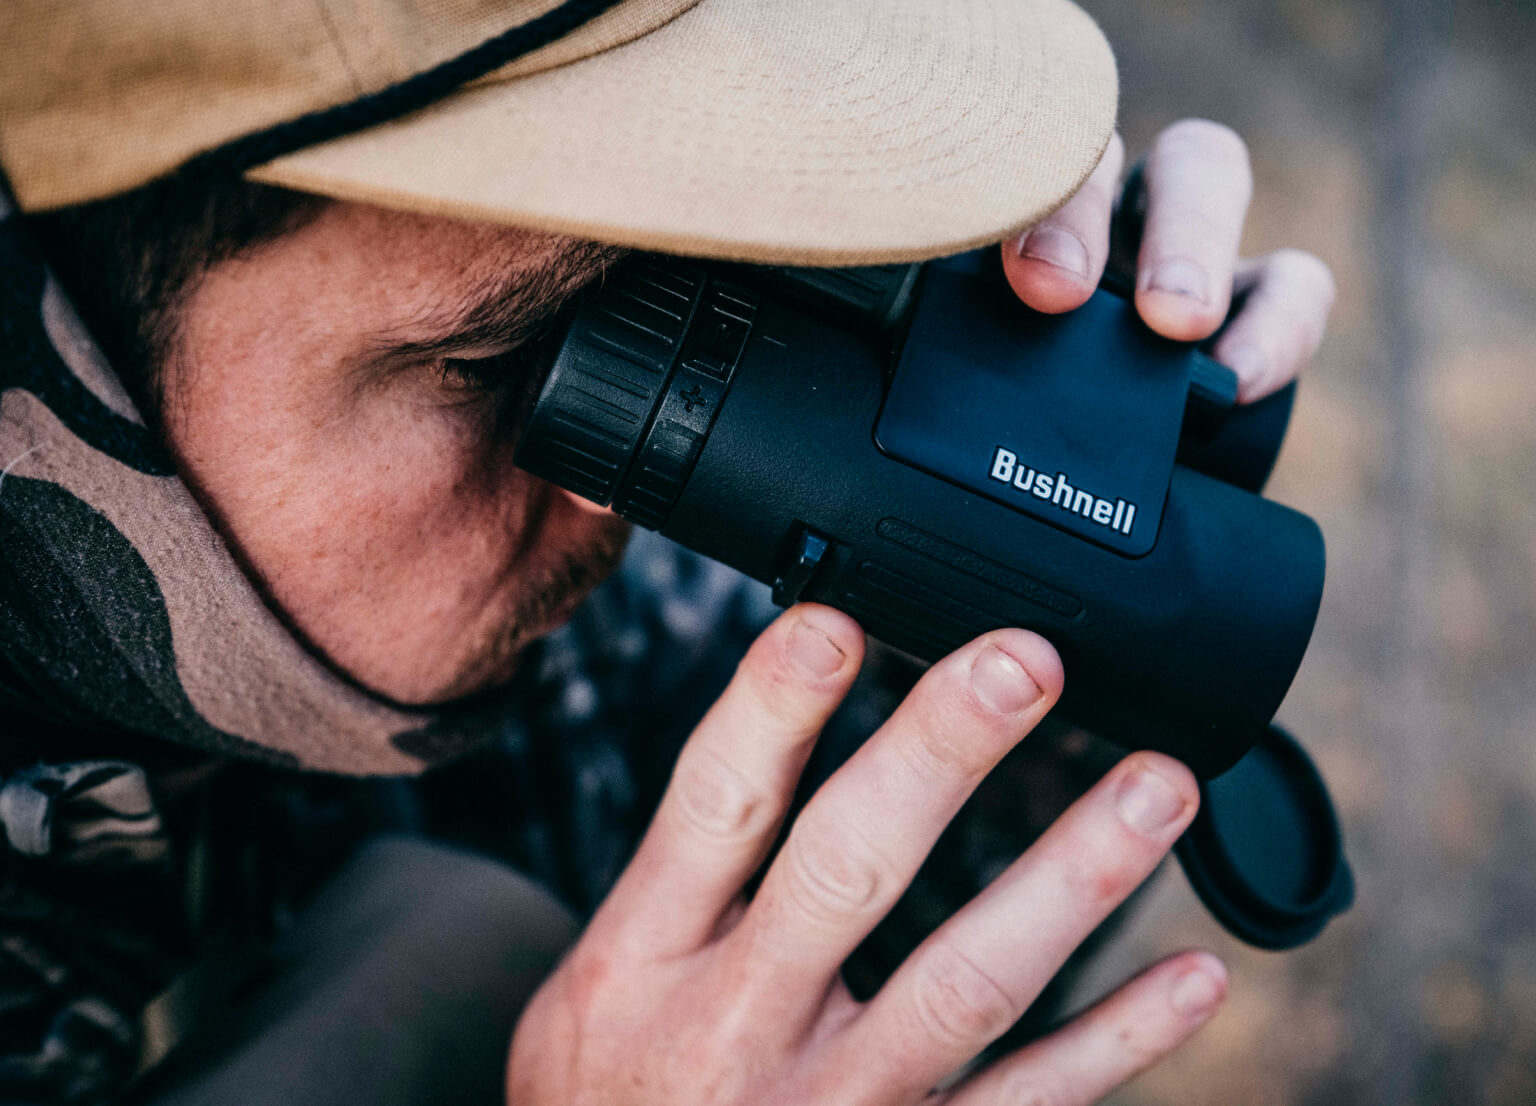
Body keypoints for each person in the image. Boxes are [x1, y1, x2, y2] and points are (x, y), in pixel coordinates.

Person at [0, 0, 1337, 1102]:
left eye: (678, 277)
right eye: (489, 359)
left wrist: (1048, 500)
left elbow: (721, 898)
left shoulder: (446, 649)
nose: (612, 498)